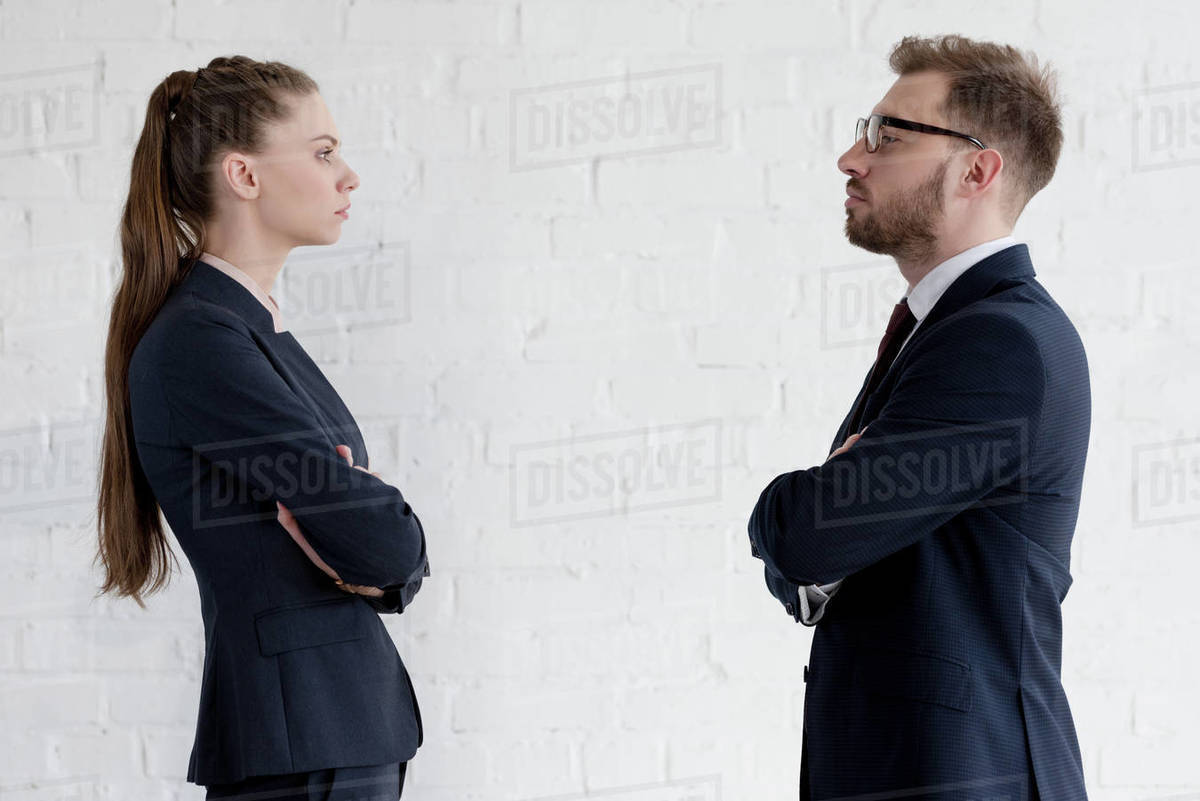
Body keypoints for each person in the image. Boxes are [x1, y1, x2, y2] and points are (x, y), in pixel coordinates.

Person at [747, 35, 1090, 800]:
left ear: (977, 168)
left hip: (965, 776)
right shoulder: (948, 329)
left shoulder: (1000, 341)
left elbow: (806, 531)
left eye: (887, 135)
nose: (850, 157)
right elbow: (823, 551)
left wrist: (792, 510)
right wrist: (828, 529)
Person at [94, 55, 428, 800]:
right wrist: (374, 526)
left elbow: (368, 539)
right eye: (322, 152)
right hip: (301, 740)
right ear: (245, 176)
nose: (349, 176)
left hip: (330, 729)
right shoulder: (201, 340)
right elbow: (383, 538)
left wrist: (367, 533)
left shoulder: (248, 328)